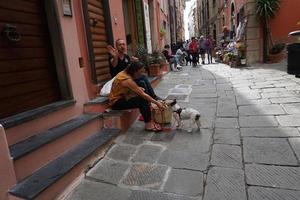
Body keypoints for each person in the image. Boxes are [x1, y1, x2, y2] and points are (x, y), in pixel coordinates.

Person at [109, 61, 166, 132]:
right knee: (142, 100)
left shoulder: (125, 73)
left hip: (124, 97)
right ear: (134, 71)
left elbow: (127, 89)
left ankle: (149, 117)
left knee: (142, 86)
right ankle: (148, 124)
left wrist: (138, 89)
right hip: (116, 103)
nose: (141, 74)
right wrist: (157, 103)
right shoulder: (126, 79)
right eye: (140, 72)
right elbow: (143, 95)